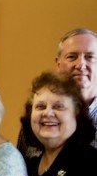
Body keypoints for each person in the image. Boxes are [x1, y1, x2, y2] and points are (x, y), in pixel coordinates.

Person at [17, 28, 97, 157]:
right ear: (58, 64)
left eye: (90, 57)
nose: (80, 65)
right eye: (72, 57)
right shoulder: (38, 117)